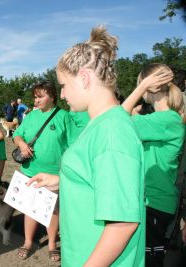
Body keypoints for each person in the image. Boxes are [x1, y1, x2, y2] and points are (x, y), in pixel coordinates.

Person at [28, 25, 145, 266]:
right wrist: (61, 180)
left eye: (63, 85)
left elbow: (122, 223)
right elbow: (101, 177)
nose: (62, 94)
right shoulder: (100, 124)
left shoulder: (112, 132)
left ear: (83, 78)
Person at [122, 63, 185, 267]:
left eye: (141, 84)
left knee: (150, 261)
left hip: (155, 204)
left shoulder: (167, 120)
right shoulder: (162, 120)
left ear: (152, 87)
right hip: (151, 202)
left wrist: (139, 90)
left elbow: (116, 120)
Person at [13, 81, 70, 262]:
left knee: (52, 211)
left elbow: (72, 145)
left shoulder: (64, 117)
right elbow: (17, 134)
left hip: (53, 175)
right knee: (30, 208)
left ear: (52, 96)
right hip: (30, 171)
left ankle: (52, 244)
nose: (36, 100)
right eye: (35, 96)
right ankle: (28, 241)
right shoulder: (30, 116)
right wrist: (21, 144)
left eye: (40, 96)